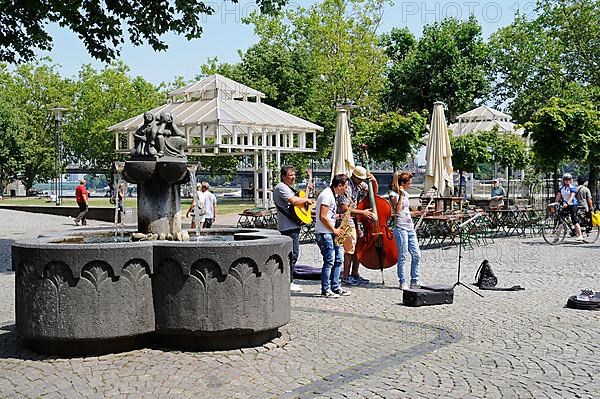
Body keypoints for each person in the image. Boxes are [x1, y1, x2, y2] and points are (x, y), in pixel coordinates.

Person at [274, 165, 313, 293]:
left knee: (293, 253)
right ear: (284, 176)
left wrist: (308, 185)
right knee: (292, 254)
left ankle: (289, 280)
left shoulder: (288, 188)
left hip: (293, 224)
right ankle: (288, 281)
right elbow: (294, 201)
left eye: (294, 175)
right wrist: (306, 199)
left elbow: (300, 201)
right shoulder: (281, 187)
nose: (293, 177)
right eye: (291, 175)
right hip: (287, 226)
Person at [316, 174, 351, 298]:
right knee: (330, 260)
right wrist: (334, 230)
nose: (346, 189)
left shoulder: (332, 195)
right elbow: (322, 216)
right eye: (345, 187)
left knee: (339, 259)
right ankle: (325, 289)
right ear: (339, 185)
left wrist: (340, 217)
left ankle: (335, 287)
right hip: (325, 233)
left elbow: (329, 215)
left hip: (330, 232)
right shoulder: (327, 195)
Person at [339, 166, 375, 286]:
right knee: (349, 249)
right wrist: (363, 212)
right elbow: (344, 208)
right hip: (347, 220)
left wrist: (374, 181)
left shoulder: (360, 185)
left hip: (356, 219)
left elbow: (373, 194)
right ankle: (346, 276)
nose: (361, 182)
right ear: (354, 177)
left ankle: (355, 274)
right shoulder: (347, 188)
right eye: (360, 179)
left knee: (358, 248)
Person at [389, 171, 421, 289]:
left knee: (417, 255)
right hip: (401, 228)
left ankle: (414, 280)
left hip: (410, 227)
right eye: (409, 182)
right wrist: (401, 195)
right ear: (402, 183)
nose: (411, 184)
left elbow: (406, 212)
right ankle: (402, 281)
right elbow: (397, 211)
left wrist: (419, 212)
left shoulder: (406, 194)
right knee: (403, 255)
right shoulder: (393, 194)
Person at [555, 173, 583, 241]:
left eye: (569, 179)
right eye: (566, 179)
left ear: (571, 180)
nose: (567, 181)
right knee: (561, 220)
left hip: (573, 204)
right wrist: (555, 203)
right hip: (565, 205)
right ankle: (557, 237)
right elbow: (558, 196)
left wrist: (567, 203)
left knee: (574, 219)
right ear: (563, 180)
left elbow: (572, 196)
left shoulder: (572, 187)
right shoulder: (561, 188)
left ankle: (580, 235)